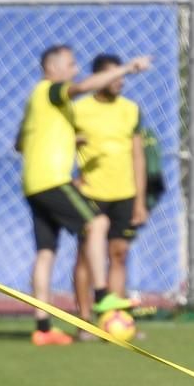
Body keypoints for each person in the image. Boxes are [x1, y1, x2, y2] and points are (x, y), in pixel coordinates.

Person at [15, 44, 151, 345]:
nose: (75, 70)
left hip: (32, 184)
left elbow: (19, 143)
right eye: (70, 64)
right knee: (97, 224)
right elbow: (81, 87)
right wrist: (128, 67)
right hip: (52, 181)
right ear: (52, 68)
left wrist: (67, 138)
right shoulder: (51, 90)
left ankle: (43, 327)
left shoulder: (37, 103)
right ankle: (103, 297)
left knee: (46, 252)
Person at [72, 53, 148, 332]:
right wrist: (71, 180)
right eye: (114, 76)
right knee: (85, 257)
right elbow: (58, 144)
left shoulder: (130, 109)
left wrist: (139, 201)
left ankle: (114, 320)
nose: (120, 82)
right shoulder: (79, 109)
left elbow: (137, 157)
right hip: (91, 194)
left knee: (119, 254)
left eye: (123, 76)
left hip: (124, 194)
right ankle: (83, 321)